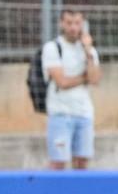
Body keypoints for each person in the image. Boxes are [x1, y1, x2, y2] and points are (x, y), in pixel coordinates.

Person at [41, 10, 101, 170]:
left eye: (77, 23)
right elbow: (62, 82)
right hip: (60, 114)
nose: (73, 28)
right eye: (69, 23)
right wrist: (84, 78)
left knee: (82, 162)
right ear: (62, 24)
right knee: (58, 162)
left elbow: (95, 79)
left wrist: (88, 51)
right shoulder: (53, 47)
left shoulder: (90, 51)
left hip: (84, 114)